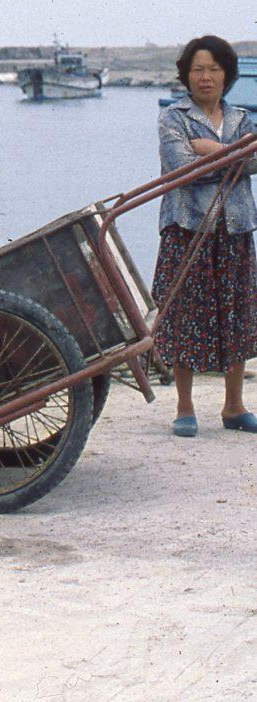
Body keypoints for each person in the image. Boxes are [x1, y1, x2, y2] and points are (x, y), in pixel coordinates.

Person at [152, 35, 257, 438]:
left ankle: (234, 407)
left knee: (237, 313)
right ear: (186, 75)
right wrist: (232, 157)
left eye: (214, 69)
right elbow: (182, 168)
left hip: (235, 227)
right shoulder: (173, 117)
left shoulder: (240, 117)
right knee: (185, 315)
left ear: (227, 74)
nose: (206, 77)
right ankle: (184, 407)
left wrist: (209, 148)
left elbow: (255, 161)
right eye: (198, 69)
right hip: (187, 226)